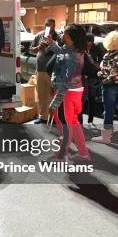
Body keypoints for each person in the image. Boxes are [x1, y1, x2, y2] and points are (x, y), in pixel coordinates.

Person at [46, 25, 90, 162]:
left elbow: (66, 80)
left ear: (70, 37)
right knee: (73, 123)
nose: (62, 34)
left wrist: (55, 101)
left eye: (64, 33)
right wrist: (52, 44)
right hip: (74, 91)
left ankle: (61, 155)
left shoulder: (72, 55)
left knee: (65, 125)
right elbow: (61, 54)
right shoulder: (74, 50)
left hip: (67, 92)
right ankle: (83, 153)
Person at [29, 18, 59, 124]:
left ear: (54, 26)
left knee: (53, 95)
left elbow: (60, 52)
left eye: (50, 25)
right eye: (46, 25)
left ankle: (53, 118)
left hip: (53, 71)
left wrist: (51, 44)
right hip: (40, 70)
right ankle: (42, 117)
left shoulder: (58, 36)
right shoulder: (39, 36)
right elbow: (30, 50)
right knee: (41, 95)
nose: (48, 27)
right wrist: (38, 47)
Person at [81, 34, 105, 129]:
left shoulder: (97, 48)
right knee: (82, 100)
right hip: (82, 76)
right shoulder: (81, 48)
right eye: (87, 42)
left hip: (93, 77)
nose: (88, 44)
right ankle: (80, 121)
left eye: (90, 42)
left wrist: (96, 64)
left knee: (91, 99)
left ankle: (90, 120)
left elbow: (102, 61)